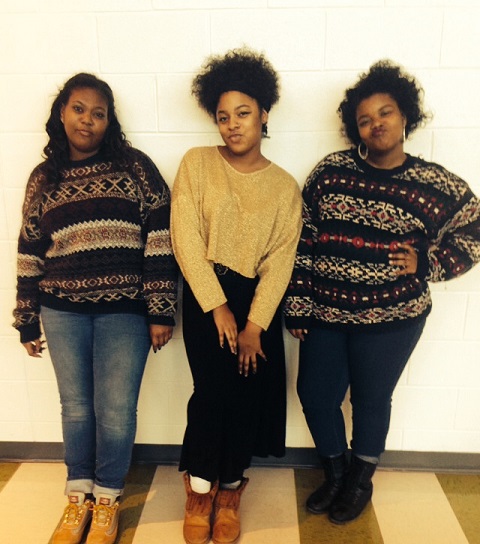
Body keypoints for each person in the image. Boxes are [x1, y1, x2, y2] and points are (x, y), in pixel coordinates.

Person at [284, 59, 480, 525]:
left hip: (393, 317)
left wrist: (428, 264)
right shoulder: (330, 172)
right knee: (315, 393)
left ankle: (359, 481)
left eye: (386, 113)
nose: (376, 125)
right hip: (327, 311)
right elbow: (303, 237)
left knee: (372, 401)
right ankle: (335, 472)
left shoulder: (433, 185)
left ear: (405, 116)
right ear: (355, 127)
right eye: (365, 119)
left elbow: (474, 230)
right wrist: (299, 301)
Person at [13, 73, 178, 544]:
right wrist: (26, 316)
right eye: (79, 108)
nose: (88, 119)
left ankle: (106, 500)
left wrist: (161, 308)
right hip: (60, 310)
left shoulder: (136, 169)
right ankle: (76, 496)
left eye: (99, 112)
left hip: (125, 311)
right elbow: (29, 249)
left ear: (110, 121)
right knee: (77, 408)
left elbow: (161, 239)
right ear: (62, 112)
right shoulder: (44, 179)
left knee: (116, 409)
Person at [171, 47, 302, 544]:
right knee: (211, 394)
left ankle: (229, 490)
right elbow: (185, 235)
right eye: (223, 117)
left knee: (245, 395)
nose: (232, 126)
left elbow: (280, 261)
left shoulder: (285, 188)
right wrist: (218, 305)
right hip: (207, 294)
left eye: (242, 114)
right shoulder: (197, 164)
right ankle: (199, 489)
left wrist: (254, 325)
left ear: (264, 113)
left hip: (255, 303)